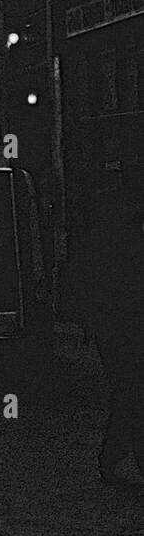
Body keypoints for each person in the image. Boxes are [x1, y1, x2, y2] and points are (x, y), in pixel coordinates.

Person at [90, 187, 144, 487]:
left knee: (129, 394)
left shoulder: (110, 244)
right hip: (123, 329)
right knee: (131, 393)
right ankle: (117, 455)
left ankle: (115, 455)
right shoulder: (127, 247)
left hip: (116, 329)